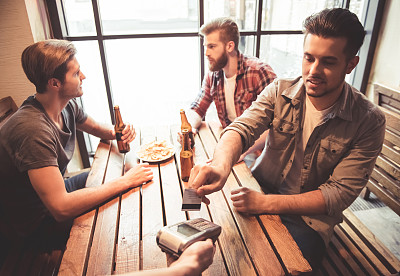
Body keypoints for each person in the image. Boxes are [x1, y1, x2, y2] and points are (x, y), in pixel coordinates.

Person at [188, 8, 385, 270]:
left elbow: (338, 195)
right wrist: (221, 165)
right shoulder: (280, 90)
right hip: (260, 188)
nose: (313, 71)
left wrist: (266, 203)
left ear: (351, 64)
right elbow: (241, 128)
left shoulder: (369, 121)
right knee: (213, 249)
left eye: (328, 62)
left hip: (309, 220)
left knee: (276, 267)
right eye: (309, 58)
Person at [0, 39, 215, 276]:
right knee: (118, 217)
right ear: (54, 83)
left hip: (56, 191)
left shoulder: (65, 106)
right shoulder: (32, 130)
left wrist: (119, 133)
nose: (84, 76)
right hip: (33, 223)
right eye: (76, 73)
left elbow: (104, 130)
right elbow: (60, 208)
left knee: (128, 183)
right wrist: (125, 181)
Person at [182, 17, 277, 162]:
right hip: (232, 145)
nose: (206, 53)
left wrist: (241, 149)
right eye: (205, 46)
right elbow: (197, 108)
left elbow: (278, 126)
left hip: (261, 153)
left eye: (212, 46)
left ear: (230, 46)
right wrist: (188, 129)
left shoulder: (259, 72)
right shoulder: (213, 75)